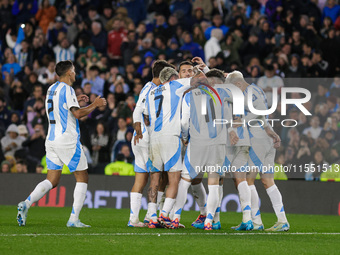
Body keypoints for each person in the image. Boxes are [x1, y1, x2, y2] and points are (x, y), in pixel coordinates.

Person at [16, 60, 106, 227]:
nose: (75, 72)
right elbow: (78, 114)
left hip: (51, 139)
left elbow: (61, 107)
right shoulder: (68, 89)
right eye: (74, 70)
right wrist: (95, 104)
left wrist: (75, 100)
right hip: (66, 139)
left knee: (52, 179)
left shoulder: (52, 88)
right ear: (69, 73)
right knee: (82, 176)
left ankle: (26, 203)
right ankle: (74, 219)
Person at [227, 70, 289, 231]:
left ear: (239, 84)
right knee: (268, 181)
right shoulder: (256, 89)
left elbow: (259, 111)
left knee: (248, 180)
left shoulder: (250, 92)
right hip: (265, 138)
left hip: (257, 140)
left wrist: (241, 123)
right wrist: (270, 131)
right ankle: (282, 220)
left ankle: (255, 221)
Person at [143, 67, 201, 228]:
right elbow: (200, 79)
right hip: (171, 137)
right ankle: (164, 215)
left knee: (154, 179)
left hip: (153, 138)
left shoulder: (151, 92)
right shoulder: (175, 85)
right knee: (173, 179)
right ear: (174, 77)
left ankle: (152, 217)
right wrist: (197, 69)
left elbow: (146, 115)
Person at [171, 69, 226, 230]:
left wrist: (185, 137)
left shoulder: (190, 94)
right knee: (214, 182)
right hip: (218, 142)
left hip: (198, 141)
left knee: (185, 180)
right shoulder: (219, 94)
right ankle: (209, 221)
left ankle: (176, 217)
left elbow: (184, 122)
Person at [129, 60, 176, 227]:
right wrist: (140, 129)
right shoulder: (152, 89)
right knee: (159, 176)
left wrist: (137, 131)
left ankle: (134, 219)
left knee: (141, 179)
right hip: (147, 139)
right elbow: (137, 110)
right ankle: (151, 215)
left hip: (138, 139)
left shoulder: (146, 88)